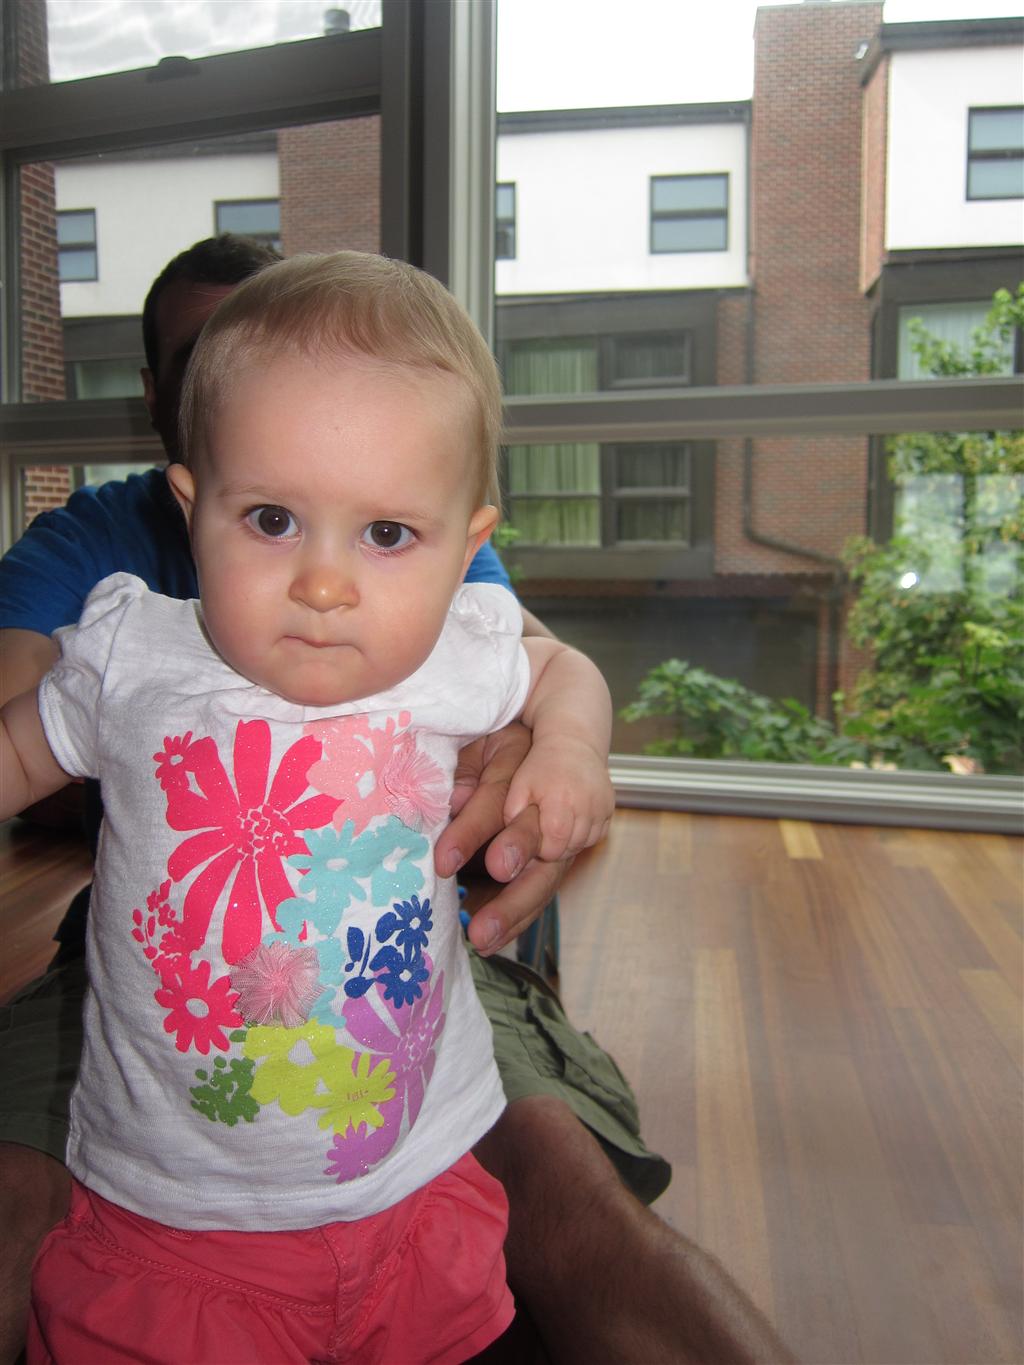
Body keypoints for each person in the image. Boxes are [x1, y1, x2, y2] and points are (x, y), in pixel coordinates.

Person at [0, 234, 794, 1365]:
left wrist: (569, 746)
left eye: (385, 534)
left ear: (465, 546)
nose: (325, 583)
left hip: (417, 1185)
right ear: (192, 501)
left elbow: (560, 668)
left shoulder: (449, 649)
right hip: (172, 1218)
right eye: (270, 520)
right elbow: (18, 747)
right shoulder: (129, 652)